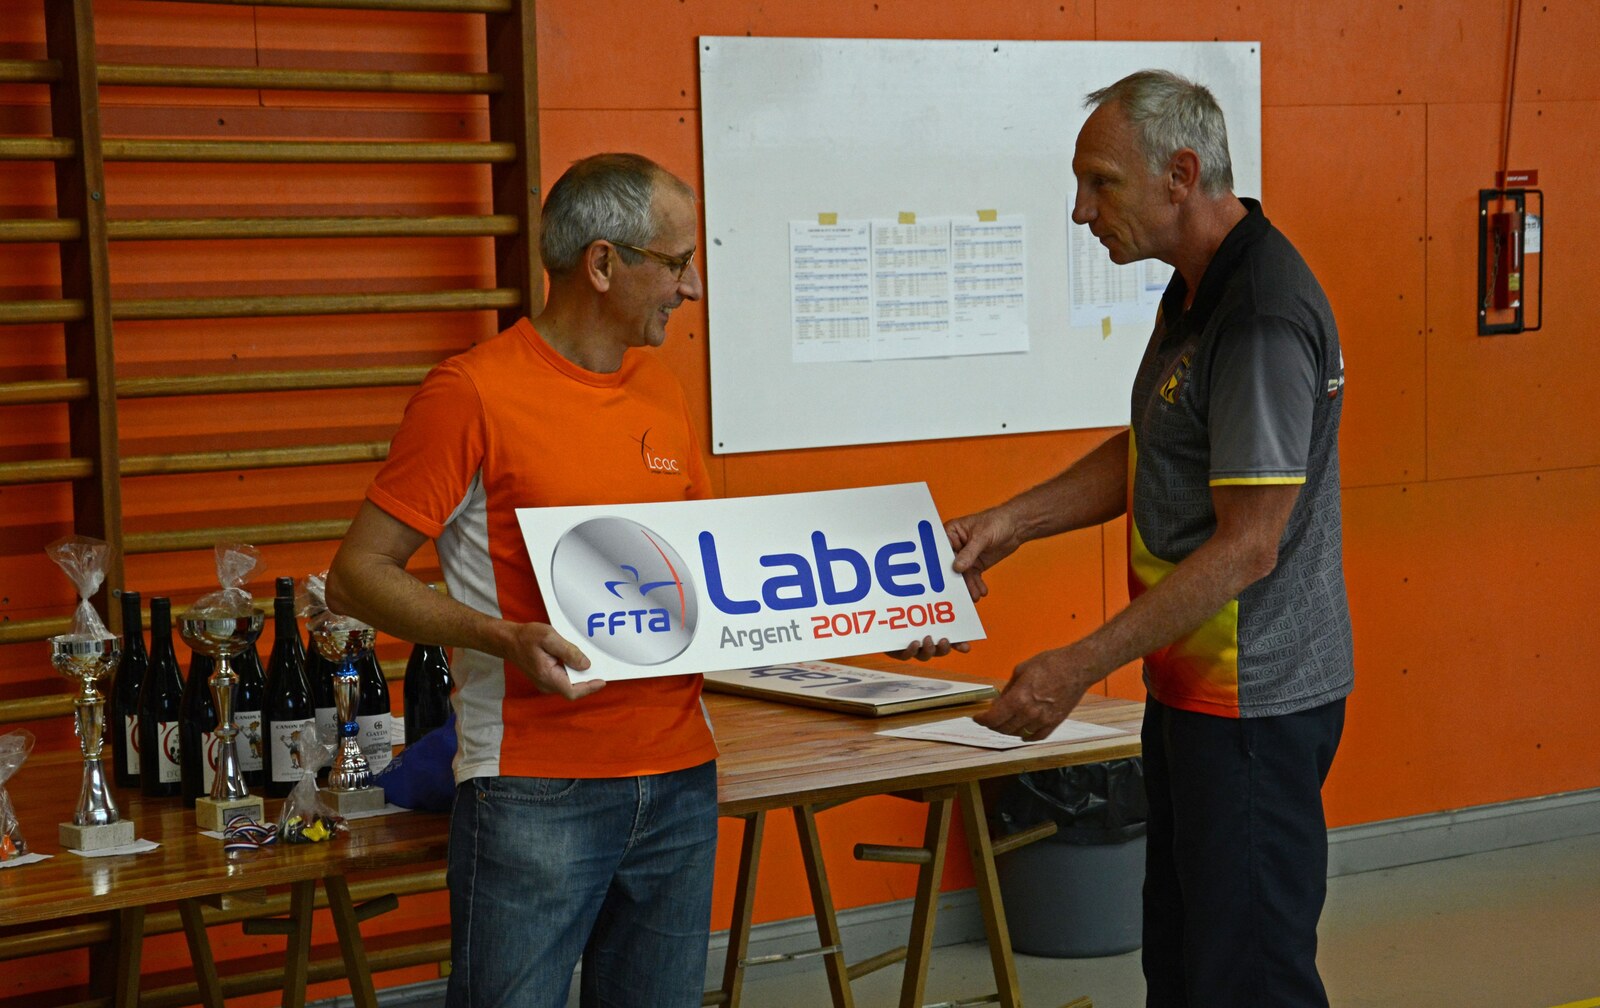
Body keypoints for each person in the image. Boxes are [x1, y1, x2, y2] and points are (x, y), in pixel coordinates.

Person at [944, 71, 1353, 1006]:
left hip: (1254, 707)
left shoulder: (1258, 314)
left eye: (1102, 183)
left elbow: (1250, 545)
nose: (1081, 211)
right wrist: (1013, 521)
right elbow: (1160, 443)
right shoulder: (1197, 289)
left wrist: (1075, 666)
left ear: (1181, 174)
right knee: (1182, 963)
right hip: (1193, 696)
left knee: (1247, 979)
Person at [327, 153, 719, 1008]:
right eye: (677, 263)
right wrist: (500, 637)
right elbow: (355, 576)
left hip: (682, 776)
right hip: (535, 789)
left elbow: (712, 579)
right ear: (603, 262)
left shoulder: (661, 389)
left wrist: (886, 612)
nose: (690, 288)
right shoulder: (470, 393)